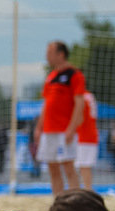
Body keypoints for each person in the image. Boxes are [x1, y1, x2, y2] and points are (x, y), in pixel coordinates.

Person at [34, 40, 85, 195]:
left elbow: (79, 104)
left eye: (49, 53)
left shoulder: (74, 74)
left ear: (60, 54)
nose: (46, 56)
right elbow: (46, 104)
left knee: (69, 167)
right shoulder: (51, 76)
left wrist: (71, 128)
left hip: (64, 130)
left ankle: (76, 202)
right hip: (48, 130)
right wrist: (39, 127)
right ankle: (58, 202)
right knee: (52, 168)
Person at [75, 91, 99, 189]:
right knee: (85, 166)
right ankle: (87, 190)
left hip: (83, 135)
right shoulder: (89, 96)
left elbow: (79, 118)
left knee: (83, 166)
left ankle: (86, 191)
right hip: (91, 134)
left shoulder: (80, 97)